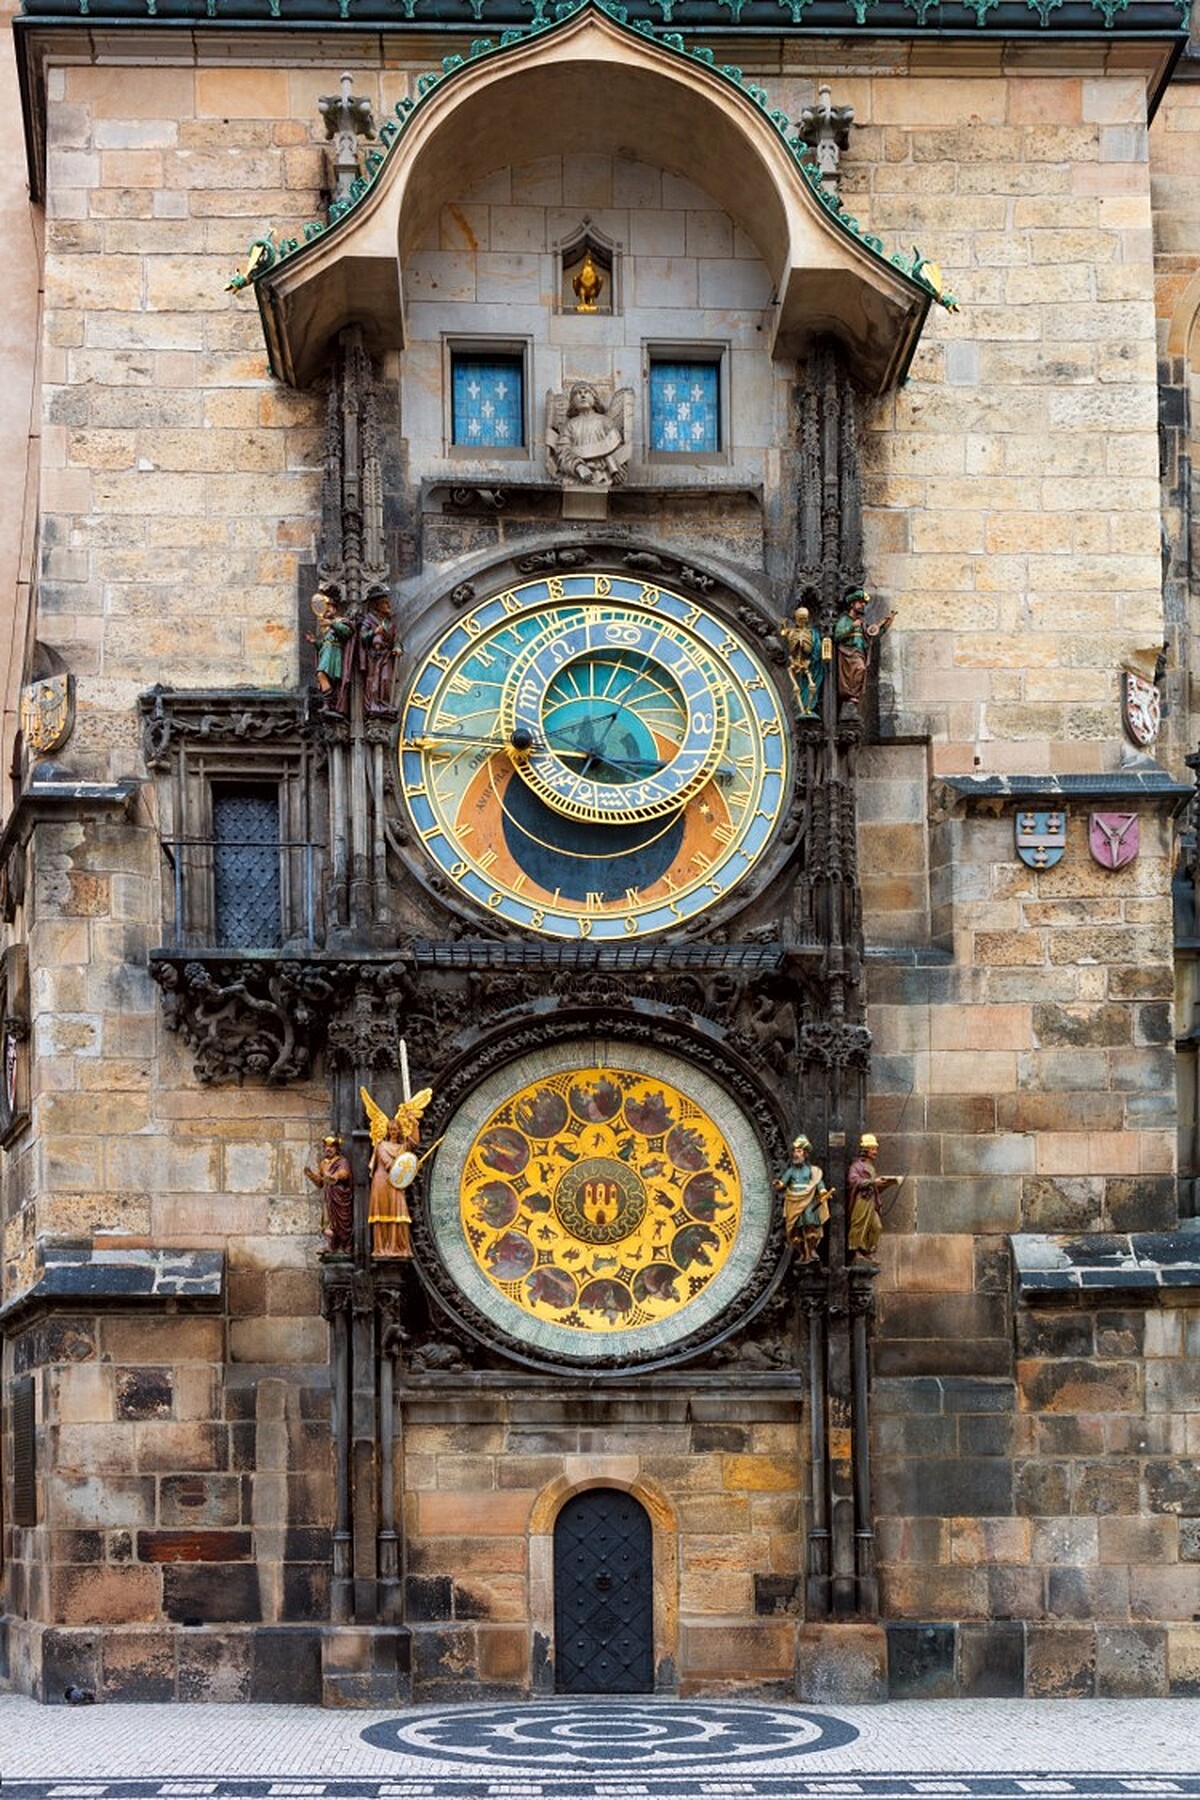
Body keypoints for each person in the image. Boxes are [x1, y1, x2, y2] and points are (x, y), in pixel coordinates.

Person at [550, 383, 627, 486]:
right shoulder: (570, 425)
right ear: (572, 402)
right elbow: (562, 452)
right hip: (576, 478)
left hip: (603, 476)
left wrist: (617, 469)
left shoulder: (605, 422)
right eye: (578, 393)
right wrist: (578, 467)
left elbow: (617, 447)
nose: (582, 395)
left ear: (594, 398)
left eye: (586, 392)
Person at [833, 588, 896, 713]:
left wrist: (886, 624)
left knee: (861, 670)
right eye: (860, 602)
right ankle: (849, 694)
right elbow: (837, 635)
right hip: (848, 654)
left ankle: (853, 695)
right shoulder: (844, 620)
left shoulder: (861, 623)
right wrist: (852, 627)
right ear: (852, 604)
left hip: (859, 652)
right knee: (859, 669)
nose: (863, 605)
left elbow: (871, 634)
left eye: (864, 604)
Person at [846, 1131, 904, 1265]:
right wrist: (873, 1182)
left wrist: (887, 1183)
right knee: (859, 1224)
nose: (875, 1152)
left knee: (876, 1226)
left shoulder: (871, 1168)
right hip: (862, 1201)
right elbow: (853, 1181)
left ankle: (867, 1250)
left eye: (875, 1149)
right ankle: (856, 1252)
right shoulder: (856, 1166)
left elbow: (875, 1185)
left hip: (871, 1201)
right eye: (872, 1149)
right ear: (865, 1150)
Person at [774, 1133, 831, 1265]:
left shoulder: (811, 1170)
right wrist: (779, 1184)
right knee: (796, 1231)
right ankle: (802, 1253)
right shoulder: (791, 1171)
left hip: (808, 1201)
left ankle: (811, 1251)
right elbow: (783, 1183)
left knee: (810, 1226)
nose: (796, 1154)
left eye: (799, 1151)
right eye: (794, 1151)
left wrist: (822, 1191)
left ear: (805, 1154)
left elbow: (817, 1182)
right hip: (794, 1201)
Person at [305, 1134, 354, 1255]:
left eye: (331, 1147)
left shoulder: (342, 1161)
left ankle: (346, 1245)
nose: (328, 1149)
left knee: (342, 1221)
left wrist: (334, 1176)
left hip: (339, 1196)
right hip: (328, 1197)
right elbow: (321, 1183)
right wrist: (311, 1175)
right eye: (326, 1147)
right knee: (328, 1222)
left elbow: (344, 1173)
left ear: (336, 1148)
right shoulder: (323, 1163)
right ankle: (331, 1246)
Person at [310, 587, 352, 714]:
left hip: (335, 654)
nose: (327, 611)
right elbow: (323, 644)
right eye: (325, 608)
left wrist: (331, 623)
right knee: (322, 675)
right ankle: (329, 703)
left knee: (322, 674)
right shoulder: (326, 628)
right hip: (327, 653)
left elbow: (347, 632)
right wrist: (314, 642)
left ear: (334, 609)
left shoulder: (340, 621)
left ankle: (330, 703)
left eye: (329, 608)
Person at [359, 585, 397, 717]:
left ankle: (384, 704)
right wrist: (374, 632)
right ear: (377, 605)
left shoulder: (389, 622)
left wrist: (397, 648)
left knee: (386, 679)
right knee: (374, 680)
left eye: (388, 602)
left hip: (386, 655)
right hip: (374, 656)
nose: (388, 605)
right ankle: (374, 704)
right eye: (385, 603)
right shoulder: (369, 619)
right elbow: (362, 637)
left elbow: (396, 639)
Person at [779, 605, 823, 716]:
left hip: (808, 663)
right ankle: (802, 707)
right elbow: (788, 641)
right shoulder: (792, 632)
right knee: (799, 685)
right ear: (796, 619)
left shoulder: (811, 633)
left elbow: (813, 648)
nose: (803, 621)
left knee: (811, 685)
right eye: (800, 619)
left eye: (804, 619)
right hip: (795, 663)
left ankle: (808, 707)